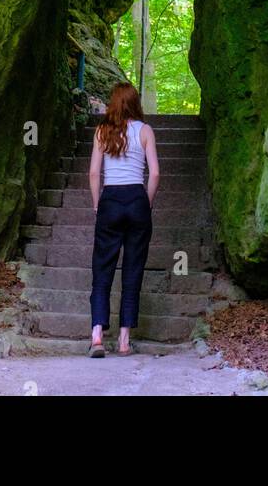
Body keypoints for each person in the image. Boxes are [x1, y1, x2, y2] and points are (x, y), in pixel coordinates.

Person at [88, 82, 160, 356]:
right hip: (136, 200)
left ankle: (97, 334)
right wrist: (147, 202)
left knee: (102, 268)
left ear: (113, 103)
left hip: (111, 200)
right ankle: (124, 340)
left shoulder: (102, 131)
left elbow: (94, 174)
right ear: (135, 103)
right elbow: (154, 174)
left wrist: (98, 205)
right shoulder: (145, 131)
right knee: (133, 270)